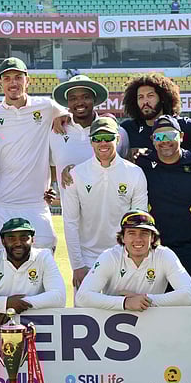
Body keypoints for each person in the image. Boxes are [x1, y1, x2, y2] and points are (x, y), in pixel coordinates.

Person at [0, 57, 67, 249]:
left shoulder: (47, 107)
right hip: (3, 201)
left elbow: (73, 122)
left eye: (18, 77)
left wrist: (62, 118)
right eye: (7, 78)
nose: (13, 83)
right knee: (6, 257)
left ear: (28, 80)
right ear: (0, 82)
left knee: (46, 247)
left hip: (36, 201)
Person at [62, 116, 148, 287]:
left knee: (125, 309)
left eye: (108, 138)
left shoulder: (135, 173)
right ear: (91, 142)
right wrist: (77, 266)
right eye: (97, 138)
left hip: (122, 254)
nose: (103, 143)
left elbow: (138, 222)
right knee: (84, 311)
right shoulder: (76, 174)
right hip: (87, 258)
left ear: (117, 139)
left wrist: (132, 258)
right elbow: (70, 222)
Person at [133, 115, 191, 279]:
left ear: (181, 136)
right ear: (152, 140)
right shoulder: (143, 163)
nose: (165, 141)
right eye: (159, 137)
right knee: (153, 301)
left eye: (171, 135)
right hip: (154, 247)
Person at [75, 210, 191, 310]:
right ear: (122, 238)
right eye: (131, 233)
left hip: (153, 322)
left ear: (153, 238)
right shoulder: (110, 257)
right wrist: (125, 303)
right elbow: (82, 297)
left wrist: (145, 299)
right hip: (112, 324)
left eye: (144, 233)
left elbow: (190, 295)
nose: (138, 239)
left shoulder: (164, 255)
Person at [0, 218, 66, 315]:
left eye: (24, 238)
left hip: (37, 323)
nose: (18, 243)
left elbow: (59, 297)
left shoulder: (44, 257)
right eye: (11, 238)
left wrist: (13, 306)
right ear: (3, 241)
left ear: (32, 240)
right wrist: (5, 303)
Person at [50, 75, 129, 177]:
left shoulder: (118, 132)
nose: (79, 102)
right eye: (73, 99)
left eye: (85, 97)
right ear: (67, 103)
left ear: (94, 100)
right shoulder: (54, 132)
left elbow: (126, 170)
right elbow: (51, 169)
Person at [120, 73, 191, 152]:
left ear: (163, 98)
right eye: (140, 97)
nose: (145, 101)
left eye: (150, 96)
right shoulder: (128, 129)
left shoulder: (186, 126)